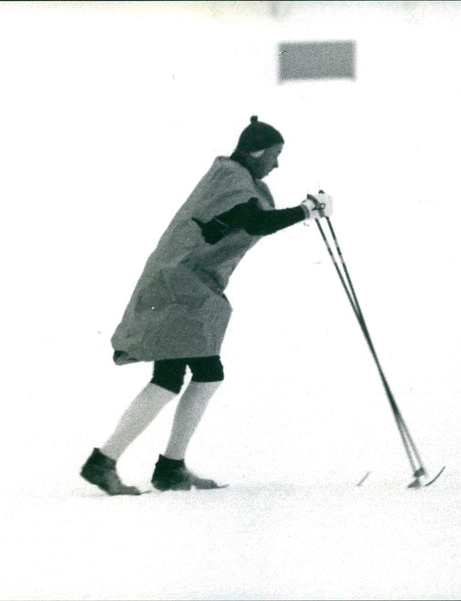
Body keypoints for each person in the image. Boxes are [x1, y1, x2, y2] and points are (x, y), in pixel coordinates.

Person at [80, 116, 333, 494]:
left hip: (186, 285)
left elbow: (241, 221)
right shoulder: (232, 177)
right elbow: (255, 222)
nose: (277, 164)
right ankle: (118, 463)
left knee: (194, 375)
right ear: (257, 151)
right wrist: (305, 211)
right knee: (184, 376)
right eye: (276, 154)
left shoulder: (233, 177)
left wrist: (302, 212)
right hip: (178, 285)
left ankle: (161, 467)